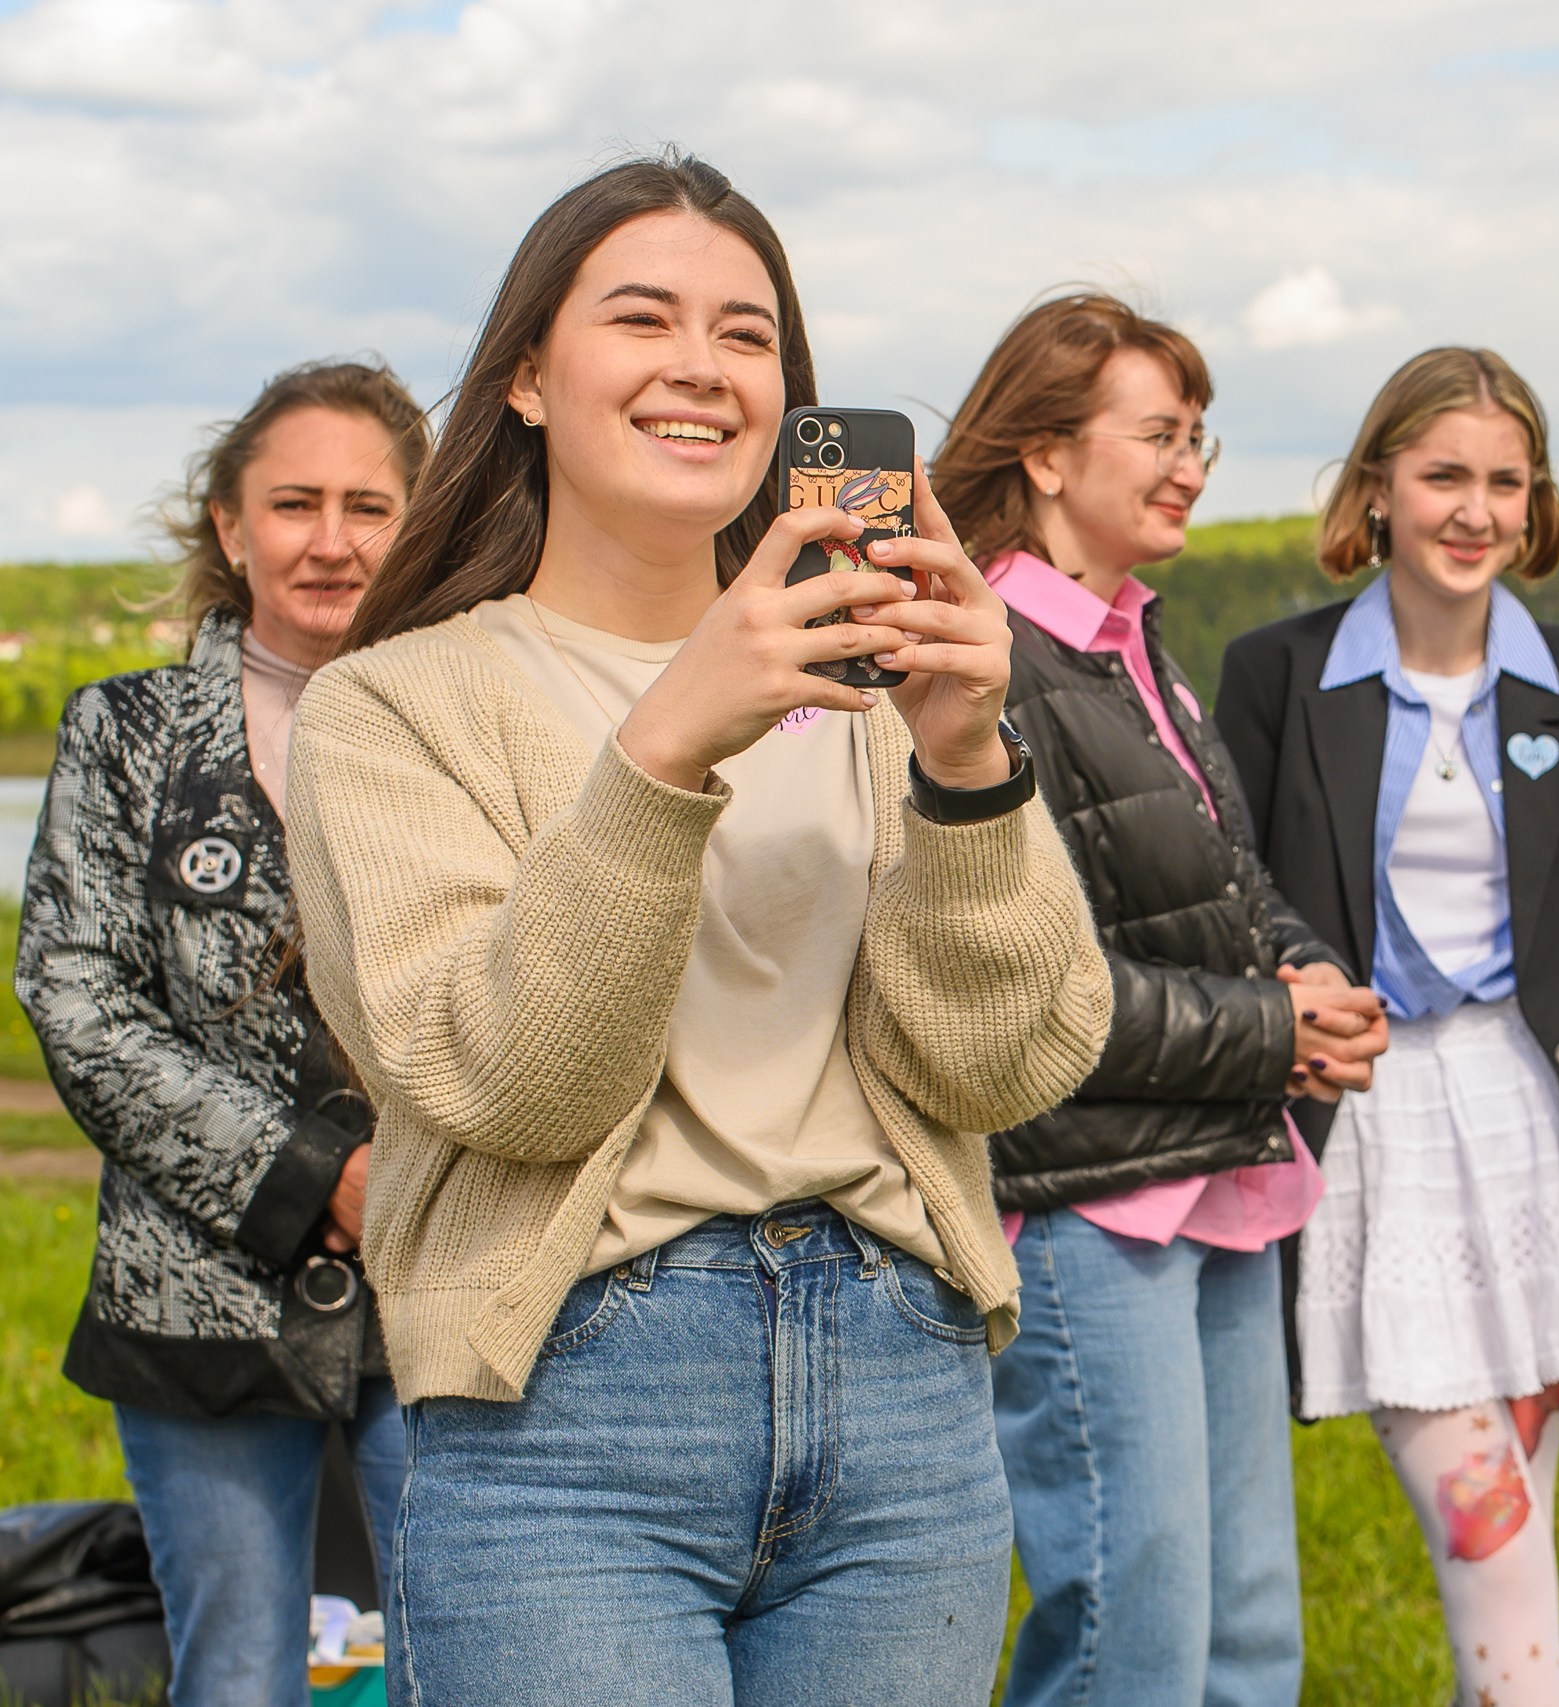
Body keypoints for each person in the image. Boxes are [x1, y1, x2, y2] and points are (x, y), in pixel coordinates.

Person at [282, 153, 1112, 1705]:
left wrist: (966, 766)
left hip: (900, 1395)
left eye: (749, 335)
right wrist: (666, 748)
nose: (702, 368)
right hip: (571, 1417)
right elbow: (516, 1082)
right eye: (644, 317)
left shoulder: (879, 695)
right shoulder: (390, 706)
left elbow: (1007, 1065)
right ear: (528, 373)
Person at [1217, 346, 1559, 1707]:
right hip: (1371, 1133)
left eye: (1505, 481)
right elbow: (1232, 903)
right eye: (1443, 477)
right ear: (1378, 488)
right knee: (1482, 1515)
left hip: (1545, 1133)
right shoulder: (1275, 675)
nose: (1475, 510)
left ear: (1536, 502)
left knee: (1514, 1524)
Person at [929, 291, 1388, 1707]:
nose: (1192, 463)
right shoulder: (984, 654)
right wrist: (1273, 1032)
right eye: (1161, 434)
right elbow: (1024, 986)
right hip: (1081, 1208)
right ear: (1050, 455)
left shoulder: (1135, 650)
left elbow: (1224, 889)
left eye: (1202, 437)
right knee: (1134, 1625)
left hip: (1212, 1173)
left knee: (1247, 1632)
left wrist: (1304, 966)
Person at [14, 359, 428, 1707]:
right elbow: (76, 992)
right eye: (293, 501)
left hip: (443, 1285)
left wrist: (404, 1190)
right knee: (240, 1674)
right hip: (195, 1286)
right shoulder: (125, 730)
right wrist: (314, 1181)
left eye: (368, 505)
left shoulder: (468, 729)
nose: (330, 537)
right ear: (230, 526)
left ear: (418, 526)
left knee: (468, 1666)